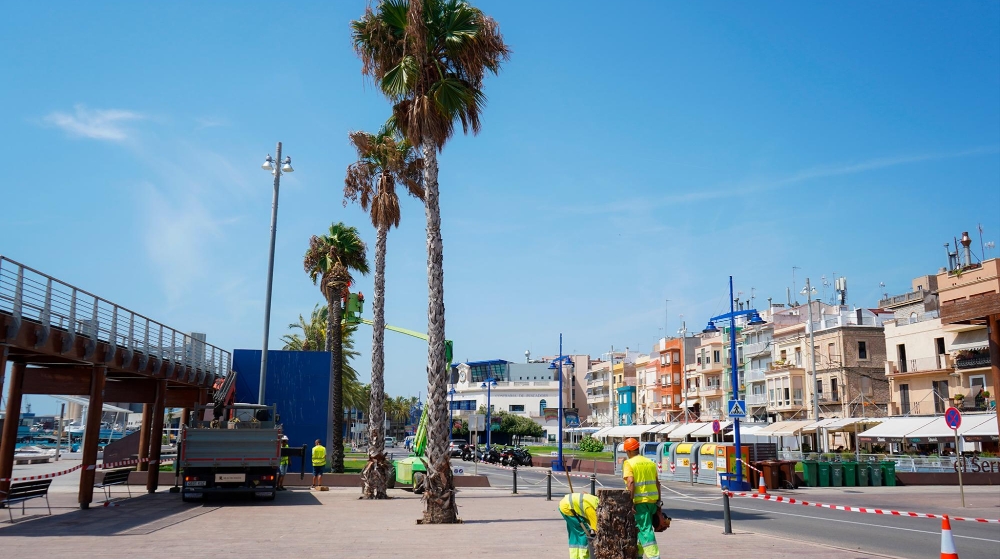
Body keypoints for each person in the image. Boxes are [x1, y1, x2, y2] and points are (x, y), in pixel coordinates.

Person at [622, 437, 661, 559]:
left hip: (639, 503)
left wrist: (630, 502)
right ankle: (638, 556)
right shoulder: (650, 462)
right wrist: (659, 502)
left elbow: (631, 482)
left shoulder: (629, 463)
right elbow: (657, 483)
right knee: (638, 530)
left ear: (628, 451)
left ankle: (654, 556)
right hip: (652, 502)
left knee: (645, 530)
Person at [559, 492, 599, 559]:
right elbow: (597, 528)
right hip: (569, 509)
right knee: (584, 532)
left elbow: (584, 493)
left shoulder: (596, 501)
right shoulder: (592, 511)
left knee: (574, 534)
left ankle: (575, 557)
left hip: (563, 505)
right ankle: (584, 557)